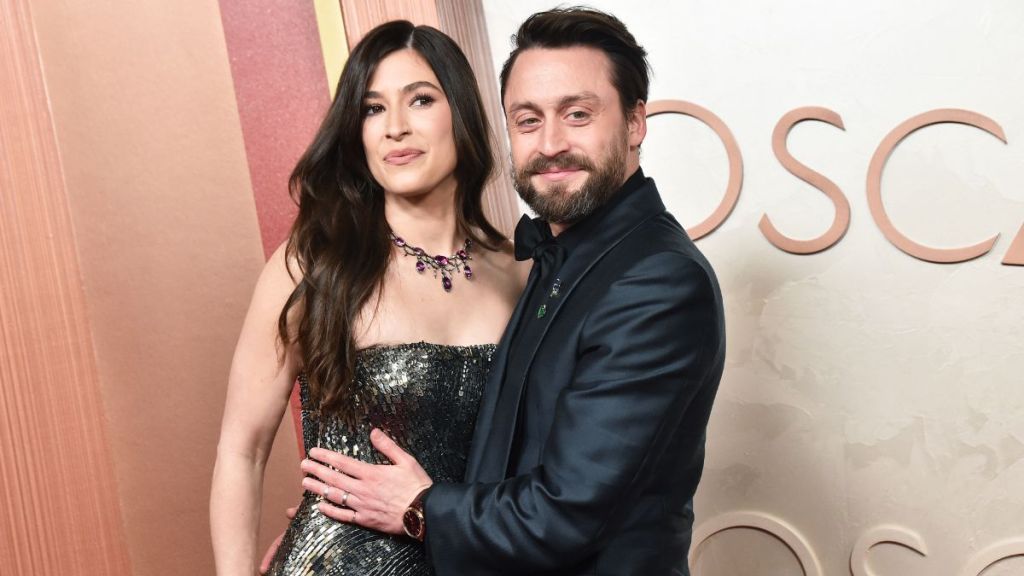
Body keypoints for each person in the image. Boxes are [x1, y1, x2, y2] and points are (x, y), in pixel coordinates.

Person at [302, 7, 726, 576]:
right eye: (527, 120)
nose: (550, 143)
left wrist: (416, 508)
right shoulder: (546, 260)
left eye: (577, 114)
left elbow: (565, 512)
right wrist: (343, 529)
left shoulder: (657, 280)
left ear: (634, 123)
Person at [209, 20, 526, 576]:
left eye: (420, 100)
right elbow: (243, 449)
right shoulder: (312, 263)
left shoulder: (520, 272)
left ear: (461, 112)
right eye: (373, 109)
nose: (395, 128)